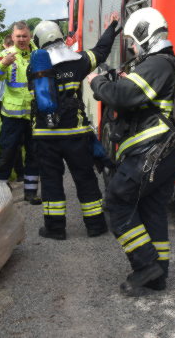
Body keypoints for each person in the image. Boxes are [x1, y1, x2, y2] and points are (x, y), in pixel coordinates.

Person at [88, 7, 175, 297]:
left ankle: (145, 266)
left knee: (117, 201)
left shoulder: (157, 65)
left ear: (145, 33)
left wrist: (97, 81)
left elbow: (124, 96)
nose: (132, 46)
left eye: (133, 39)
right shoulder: (171, 63)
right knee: (151, 208)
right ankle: (159, 275)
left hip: (153, 152)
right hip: (167, 152)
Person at [29, 15, 120, 240]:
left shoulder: (34, 66)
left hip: (45, 135)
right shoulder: (79, 60)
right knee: (85, 178)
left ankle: (55, 229)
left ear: (39, 41)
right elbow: (101, 51)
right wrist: (112, 26)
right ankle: (96, 226)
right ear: (60, 36)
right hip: (76, 134)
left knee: (51, 181)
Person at [0, 21, 41, 204]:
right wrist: (3, 65)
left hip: (34, 116)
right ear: (12, 37)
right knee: (7, 152)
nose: (21, 39)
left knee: (34, 153)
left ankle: (30, 193)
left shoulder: (39, 54)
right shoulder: (5, 55)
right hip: (12, 116)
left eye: (24, 36)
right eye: (18, 36)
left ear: (30, 36)